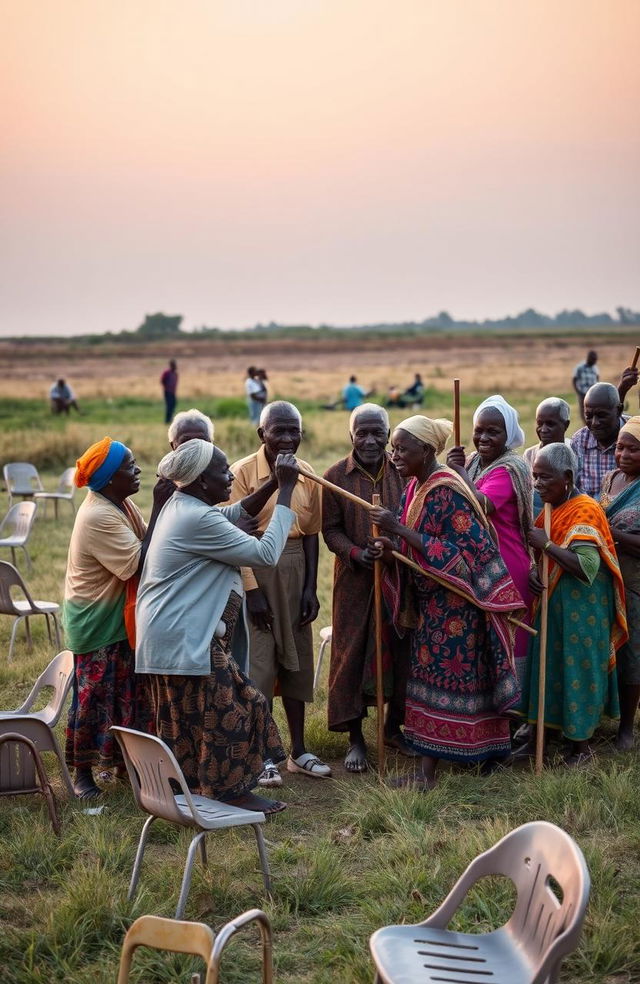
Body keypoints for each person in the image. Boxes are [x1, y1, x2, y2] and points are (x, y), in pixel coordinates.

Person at [136, 439, 300, 814]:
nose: (230, 476)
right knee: (237, 707)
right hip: (182, 635)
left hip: (170, 634)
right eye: (221, 471)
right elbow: (265, 555)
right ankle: (230, 793)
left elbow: (237, 511)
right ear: (198, 480)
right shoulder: (195, 516)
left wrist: (274, 482)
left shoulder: (183, 505)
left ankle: (194, 789)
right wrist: (288, 490)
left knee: (190, 715)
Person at [369, 415, 523, 788]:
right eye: (393, 449)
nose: (394, 456)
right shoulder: (414, 487)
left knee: (444, 678)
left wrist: (399, 529)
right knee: (447, 680)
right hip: (432, 602)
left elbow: (469, 554)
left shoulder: (447, 491)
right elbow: (416, 545)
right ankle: (483, 758)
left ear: (426, 450)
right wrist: (391, 549)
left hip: (459, 604)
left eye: (402, 449)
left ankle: (427, 775)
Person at [229, 401, 331, 785]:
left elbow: (310, 535)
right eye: (279, 431)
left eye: (294, 431)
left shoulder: (308, 475)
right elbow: (235, 537)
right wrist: (252, 591)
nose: (288, 439)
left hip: (294, 569)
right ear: (262, 435)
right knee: (260, 665)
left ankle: (298, 751)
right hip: (255, 568)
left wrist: (310, 588)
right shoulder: (242, 474)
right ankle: (262, 755)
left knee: (297, 661)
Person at [518, 443, 627, 765]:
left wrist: (547, 545)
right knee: (549, 666)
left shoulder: (585, 510)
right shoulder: (552, 506)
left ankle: (581, 748)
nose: (537, 485)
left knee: (577, 668)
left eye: (544, 478)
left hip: (583, 610)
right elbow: (538, 555)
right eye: (534, 477)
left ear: (566, 477)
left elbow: (586, 568)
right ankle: (544, 735)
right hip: (554, 604)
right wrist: (534, 570)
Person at [322, 404, 413, 773]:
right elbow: (329, 530)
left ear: (389, 435)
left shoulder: (404, 473)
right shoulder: (334, 477)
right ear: (351, 436)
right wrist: (356, 552)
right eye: (363, 433)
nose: (371, 440)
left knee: (401, 650)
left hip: (398, 576)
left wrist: (395, 550)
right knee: (352, 654)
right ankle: (356, 738)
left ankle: (393, 728)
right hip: (355, 581)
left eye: (379, 432)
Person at [63, 437, 152, 799]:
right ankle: (82, 773)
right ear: (110, 478)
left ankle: (122, 766)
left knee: (126, 694)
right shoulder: (98, 514)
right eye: (129, 467)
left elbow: (150, 539)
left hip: (115, 613)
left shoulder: (122, 504)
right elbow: (139, 562)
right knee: (94, 696)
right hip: (95, 618)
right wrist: (162, 503)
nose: (137, 471)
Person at [446, 395, 533, 680]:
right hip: (479, 564)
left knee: (510, 636)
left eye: (493, 431)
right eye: (479, 430)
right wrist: (452, 469)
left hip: (507, 565)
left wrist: (457, 474)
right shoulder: (473, 463)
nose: (483, 437)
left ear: (507, 435)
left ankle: (514, 713)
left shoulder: (510, 468)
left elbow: (481, 505)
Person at [600, 416, 640, 750]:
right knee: (607, 647)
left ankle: (627, 727)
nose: (623, 454)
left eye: (633, 449)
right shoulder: (611, 478)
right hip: (605, 579)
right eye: (620, 447)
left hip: (634, 582)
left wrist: (609, 535)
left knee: (632, 655)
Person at [523, 398, 572, 513]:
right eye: (540, 424)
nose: (543, 430)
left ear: (566, 425)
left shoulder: (573, 452)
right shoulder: (530, 454)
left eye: (550, 424)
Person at [572, 350, 599, 423]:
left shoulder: (594, 368)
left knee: (593, 410)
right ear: (589, 358)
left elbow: (597, 378)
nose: (595, 361)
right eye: (594, 359)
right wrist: (578, 392)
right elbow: (574, 380)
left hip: (593, 394)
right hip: (582, 393)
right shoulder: (580, 367)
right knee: (583, 411)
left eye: (595, 359)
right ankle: (586, 425)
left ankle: (591, 423)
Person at [160, 359, 178, 424]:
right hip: (168, 392)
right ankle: (167, 420)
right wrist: (167, 387)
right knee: (169, 406)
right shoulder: (167, 373)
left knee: (173, 405)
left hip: (173, 392)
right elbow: (162, 381)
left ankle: (170, 419)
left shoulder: (175, 374)